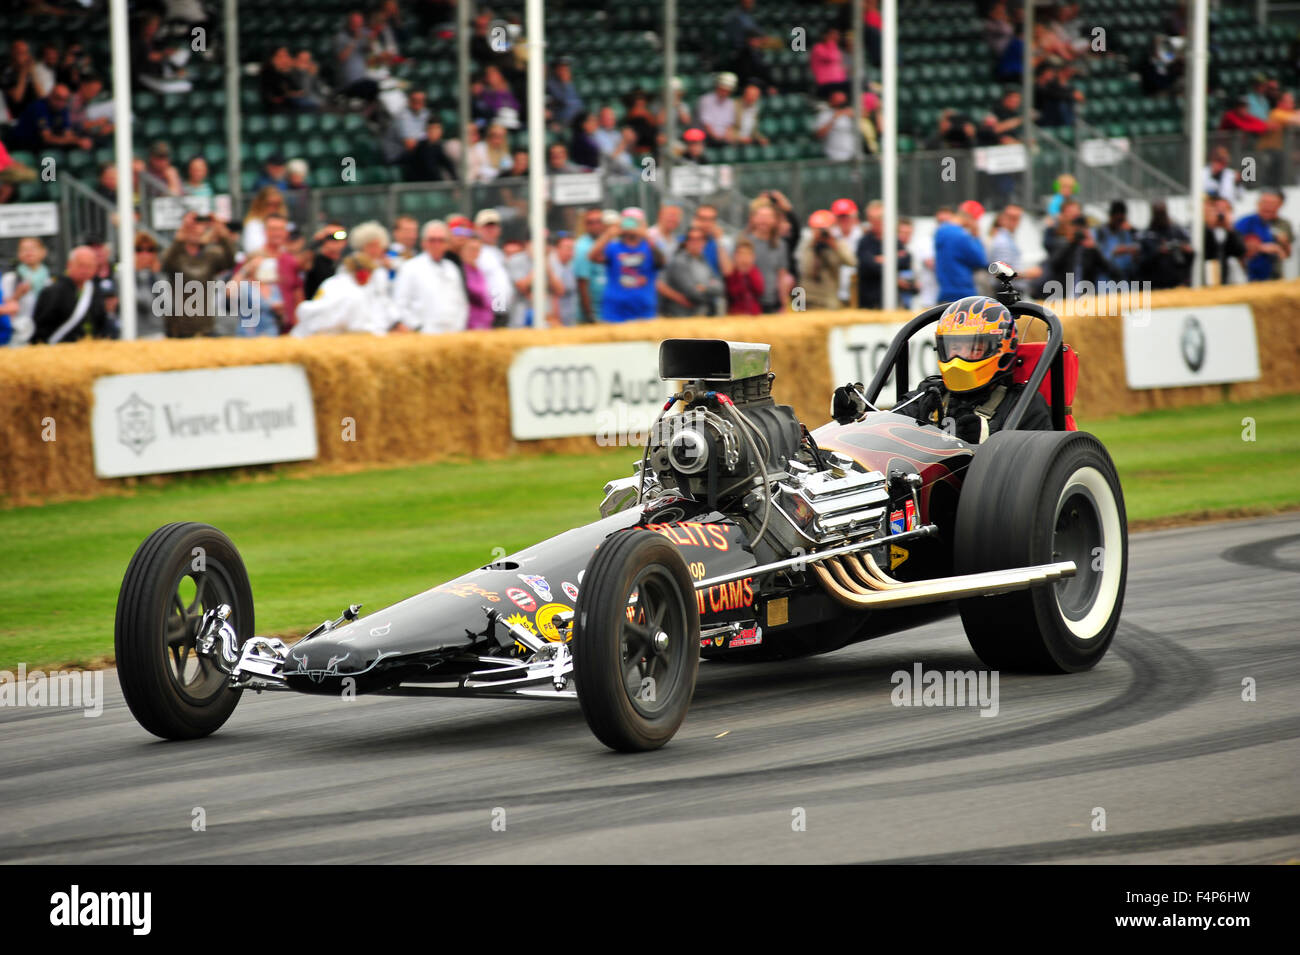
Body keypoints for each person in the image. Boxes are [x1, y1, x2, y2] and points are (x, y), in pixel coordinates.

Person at [892, 296, 1052, 445]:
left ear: (1001, 349)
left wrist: (984, 442)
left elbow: (1031, 468)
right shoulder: (929, 395)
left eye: (974, 349)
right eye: (954, 348)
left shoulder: (1023, 404)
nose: (959, 358)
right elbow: (890, 428)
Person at [158, 211, 238, 336]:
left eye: (199, 226)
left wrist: (221, 232)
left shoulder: (210, 256)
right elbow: (165, 265)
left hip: (206, 326)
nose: (195, 230)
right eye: (191, 227)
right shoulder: (176, 255)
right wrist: (180, 237)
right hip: (179, 327)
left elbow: (230, 261)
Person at [588, 207, 663, 322]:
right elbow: (592, 256)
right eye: (628, 221)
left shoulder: (650, 246)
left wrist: (646, 235)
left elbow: (662, 261)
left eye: (635, 222)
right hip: (615, 312)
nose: (631, 226)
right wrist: (608, 234)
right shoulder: (613, 247)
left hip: (644, 311)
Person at [393, 220, 469, 333]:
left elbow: (462, 303)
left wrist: (458, 327)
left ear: (447, 244)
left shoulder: (452, 268)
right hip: (423, 335)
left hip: (452, 335)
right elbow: (400, 304)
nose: (436, 244)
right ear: (424, 243)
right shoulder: (410, 267)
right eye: (432, 240)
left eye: (441, 240)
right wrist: (417, 327)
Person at [292, 253, 391, 336]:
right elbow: (359, 326)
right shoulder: (353, 293)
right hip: (329, 337)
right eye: (369, 273)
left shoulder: (331, 282)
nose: (369, 278)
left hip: (309, 334)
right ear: (362, 273)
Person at [31, 246, 112, 344]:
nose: (85, 270)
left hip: (90, 349)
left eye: (90, 266)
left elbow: (101, 322)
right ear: (69, 265)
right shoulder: (53, 291)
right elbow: (41, 326)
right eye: (81, 265)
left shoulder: (95, 290)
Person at [797, 209, 856, 311]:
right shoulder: (807, 245)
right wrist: (813, 246)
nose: (821, 232)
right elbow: (805, 269)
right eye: (818, 229)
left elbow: (852, 262)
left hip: (830, 299)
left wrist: (834, 245)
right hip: (808, 299)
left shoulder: (838, 244)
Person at [658, 226, 723, 317]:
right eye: (692, 239)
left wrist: (703, 288)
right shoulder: (679, 262)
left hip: (698, 317)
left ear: (704, 242)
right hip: (679, 318)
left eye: (699, 239)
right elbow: (692, 293)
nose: (696, 243)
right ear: (686, 242)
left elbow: (720, 288)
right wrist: (710, 289)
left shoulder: (703, 261)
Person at [0, 236, 51, 346]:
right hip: (18, 334)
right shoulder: (11, 278)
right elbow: (5, 307)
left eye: (33, 248)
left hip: (44, 334)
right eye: (24, 249)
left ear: (43, 252)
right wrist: (17, 295)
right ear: (19, 254)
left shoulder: (50, 280)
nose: (29, 253)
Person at [933, 201, 988, 302]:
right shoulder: (962, 236)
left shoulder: (941, 231)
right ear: (971, 218)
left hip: (945, 291)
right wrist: (976, 235)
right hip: (962, 293)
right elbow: (980, 260)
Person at [1234, 191, 1292, 281]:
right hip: (1250, 277)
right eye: (1265, 203)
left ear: (1280, 205)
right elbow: (1236, 249)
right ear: (1258, 204)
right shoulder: (1245, 222)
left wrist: (1284, 243)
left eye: (1272, 203)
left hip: (1276, 277)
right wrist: (1262, 248)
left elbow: (1287, 255)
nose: (1268, 206)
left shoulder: (1284, 224)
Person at [1137, 201, 1193, 289]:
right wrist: (1158, 252)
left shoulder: (1176, 232)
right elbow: (1141, 263)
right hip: (1154, 285)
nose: (1161, 217)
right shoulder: (1146, 236)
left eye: (1162, 213)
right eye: (1158, 213)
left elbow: (1188, 258)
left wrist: (1187, 251)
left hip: (1176, 285)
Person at [574, 208, 612, 323]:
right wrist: (589, 315)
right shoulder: (582, 247)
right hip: (594, 313)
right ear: (585, 226)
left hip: (611, 310)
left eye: (598, 221)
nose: (595, 225)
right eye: (590, 222)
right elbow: (582, 283)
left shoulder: (611, 243)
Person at [1093, 200, 1139, 282]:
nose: (1119, 223)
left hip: (1124, 281)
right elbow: (1097, 257)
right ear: (1111, 216)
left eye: (1122, 220)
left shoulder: (1126, 234)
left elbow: (1132, 263)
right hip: (1105, 282)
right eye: (1117, 219)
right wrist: (1113, 252)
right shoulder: (1100, 233)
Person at [304, 224, 347, 300]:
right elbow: (300, 264)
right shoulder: (314, 261)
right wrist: (315, 243)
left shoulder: (346, 263)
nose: (335, 241)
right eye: (330, 237)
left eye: (340, 236)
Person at [725, 238, 764, 315]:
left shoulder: (754, 271)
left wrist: (748, 273)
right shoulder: (732, 272)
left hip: (754, 313)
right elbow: (732, 293)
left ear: (753, 257)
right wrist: (740, 274)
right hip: (736, 313)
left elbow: (759, 290)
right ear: (735, 256)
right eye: (741, 254)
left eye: (747, 254)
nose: (744, 257)